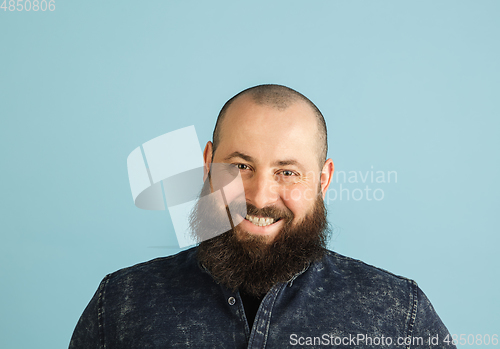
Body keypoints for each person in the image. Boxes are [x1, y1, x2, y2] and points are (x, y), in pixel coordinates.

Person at [69, 85, 456, 348]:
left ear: (323, 180)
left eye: (287, 172)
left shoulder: (399, 313)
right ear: (208, 163)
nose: (259, 196)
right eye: (240, 166)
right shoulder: (123, 302)